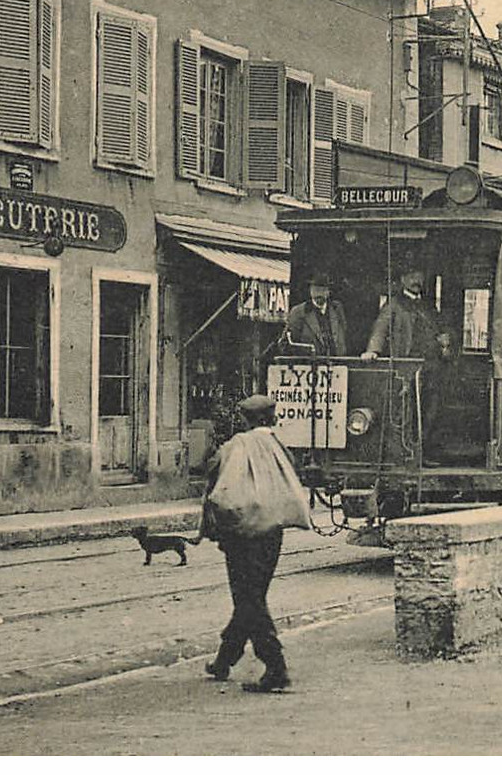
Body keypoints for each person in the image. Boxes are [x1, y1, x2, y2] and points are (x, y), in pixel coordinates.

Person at [202, 394, 296, 693]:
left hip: (243, 534)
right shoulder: (281, 446)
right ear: (272, 418)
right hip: (272, 533)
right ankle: (224, 659)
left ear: (246, 419)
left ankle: (276, 667)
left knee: (249, 599)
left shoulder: (238, 445)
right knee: (251, 596)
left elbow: (213, 472)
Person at [360, 268, 451, 361]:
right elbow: (381, 328)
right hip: (404, 360)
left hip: (427, 361)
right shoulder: (394, 304)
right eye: (412, 277)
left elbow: (441, 329)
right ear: (403, 280)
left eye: (419, 277)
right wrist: (373, 350)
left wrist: (444, 343)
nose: (416, 281)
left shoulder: (428, 306)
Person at [285, 274, 349, 357]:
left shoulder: (337, 309)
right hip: (310, 365)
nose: (319, 293)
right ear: (310, 291)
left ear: (328, 292)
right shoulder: (299, 312)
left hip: (336, 364)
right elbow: (286, 344)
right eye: (316, 289)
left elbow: (343, 333)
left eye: (322, 290)